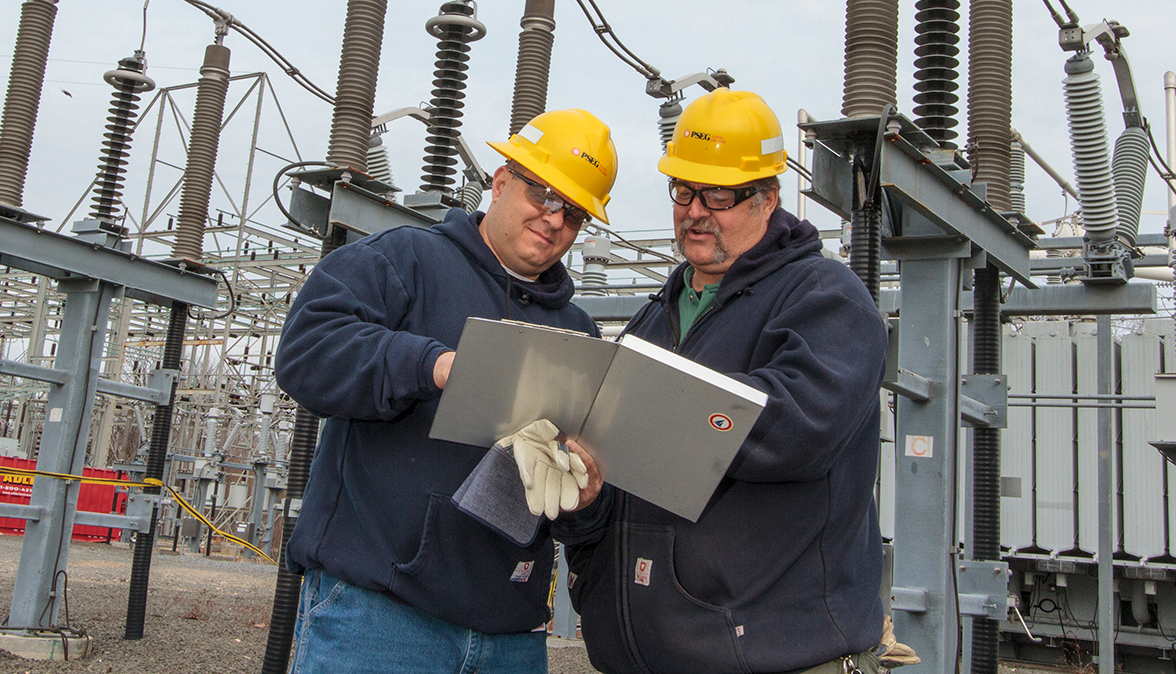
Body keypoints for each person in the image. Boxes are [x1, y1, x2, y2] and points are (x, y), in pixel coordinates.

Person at [553, 88, 889, 674]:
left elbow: (798, 429)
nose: (695, 210)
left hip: (773, 658)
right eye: (683, 190)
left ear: (768, 197)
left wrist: (633, 409)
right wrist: (583, 499)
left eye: (720, 194)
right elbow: (623, 477)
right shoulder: (657, 315)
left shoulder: (824, 298)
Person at [274, 109, 617, 674]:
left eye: (575, 213)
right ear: (501, 183)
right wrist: (435, 366)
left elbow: (570, 509)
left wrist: (585, 500)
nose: (555, 220)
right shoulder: (405, 259)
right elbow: (307, 352)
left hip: (510, 634)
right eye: (544, 196)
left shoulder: (577, 333)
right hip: (381, 620)